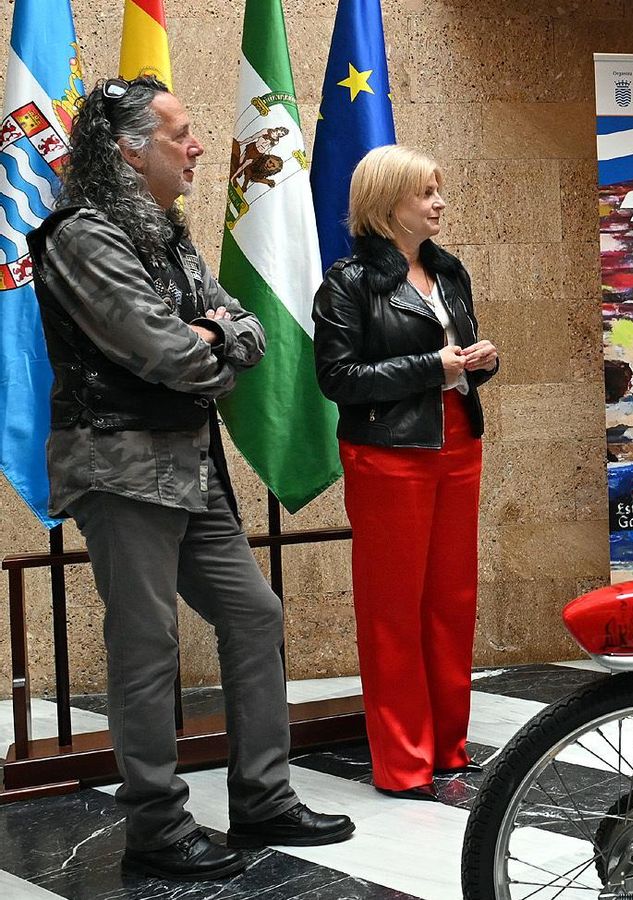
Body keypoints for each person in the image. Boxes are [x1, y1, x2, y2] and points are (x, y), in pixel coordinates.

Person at [27, 76, 354, 882]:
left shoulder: (164, 230)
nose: (200, 146)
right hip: (122, 466)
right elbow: (164, 351)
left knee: (254, 614)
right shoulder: (80, 235)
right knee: (148, 649)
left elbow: (241, 326)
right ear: (128, 149)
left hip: (189, 462)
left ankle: (264, 798)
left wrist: (210, 340)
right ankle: (156, 830)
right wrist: (208, 345)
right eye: (181, 133)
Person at [313, 145, 499, 801]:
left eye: (439, 190)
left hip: (457, 444)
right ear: (389, 203)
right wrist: (433, 369)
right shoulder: (349, 282)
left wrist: (480, 361)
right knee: (394, 610)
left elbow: (459, 356)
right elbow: (337, 379)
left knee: (451, 602)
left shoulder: (449, 274)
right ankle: (403, 761)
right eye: (426, 193)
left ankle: (448, 747)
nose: (439, 203)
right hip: (388, 456)